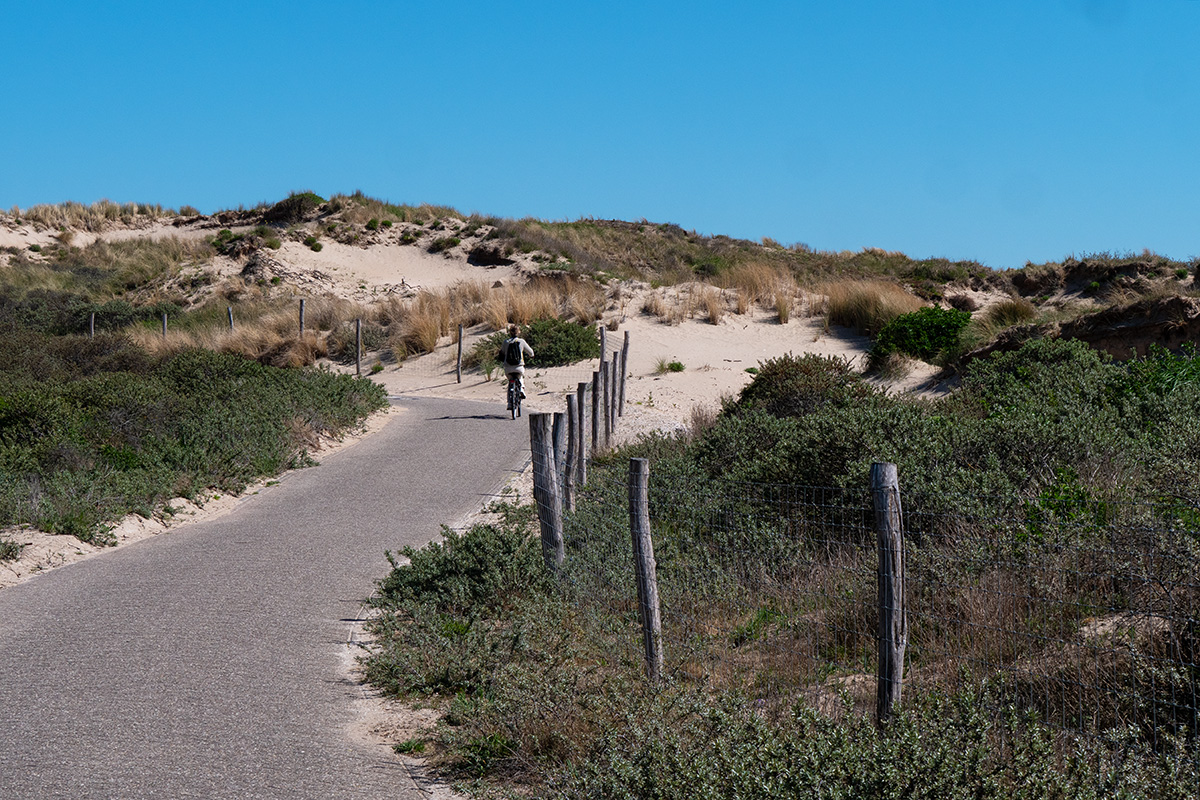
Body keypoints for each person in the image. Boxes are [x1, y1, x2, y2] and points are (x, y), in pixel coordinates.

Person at [500, 324, 534, 399]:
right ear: (518, 332)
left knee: (510, 381)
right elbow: (531, 352)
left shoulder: (506, 342)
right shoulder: (521, 341)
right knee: (520, 377)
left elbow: (501, 353)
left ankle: (509, 402)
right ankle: (521, 389)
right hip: (519, 366)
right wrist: (531, 356)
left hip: (508, 367)